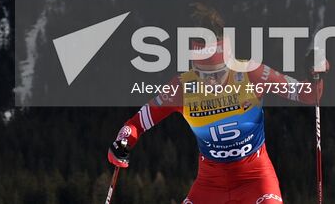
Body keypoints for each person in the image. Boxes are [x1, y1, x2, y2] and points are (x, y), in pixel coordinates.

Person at [107, 23, 323, 204]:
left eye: (218, 73)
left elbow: (307, 95)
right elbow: (136, 124)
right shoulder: (183, 88)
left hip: (255, 179)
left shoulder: (251, 73)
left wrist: (316, 75)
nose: (211, 82)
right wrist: (122, 143)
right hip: (210, 184)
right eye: (203, 74)